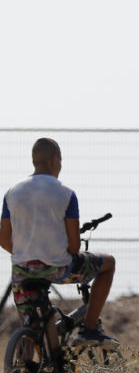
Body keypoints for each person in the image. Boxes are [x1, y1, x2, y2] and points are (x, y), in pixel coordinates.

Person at [0, 138, 119, 348]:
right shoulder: (66, 194)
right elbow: (74, 247)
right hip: (57, 268)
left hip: (22, 271)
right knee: (108, 263)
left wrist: (25, 255)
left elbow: (3, 239)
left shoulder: (11, 193)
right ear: (55, 160)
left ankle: (25, 366)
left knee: (30, 325)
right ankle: (90, 329)